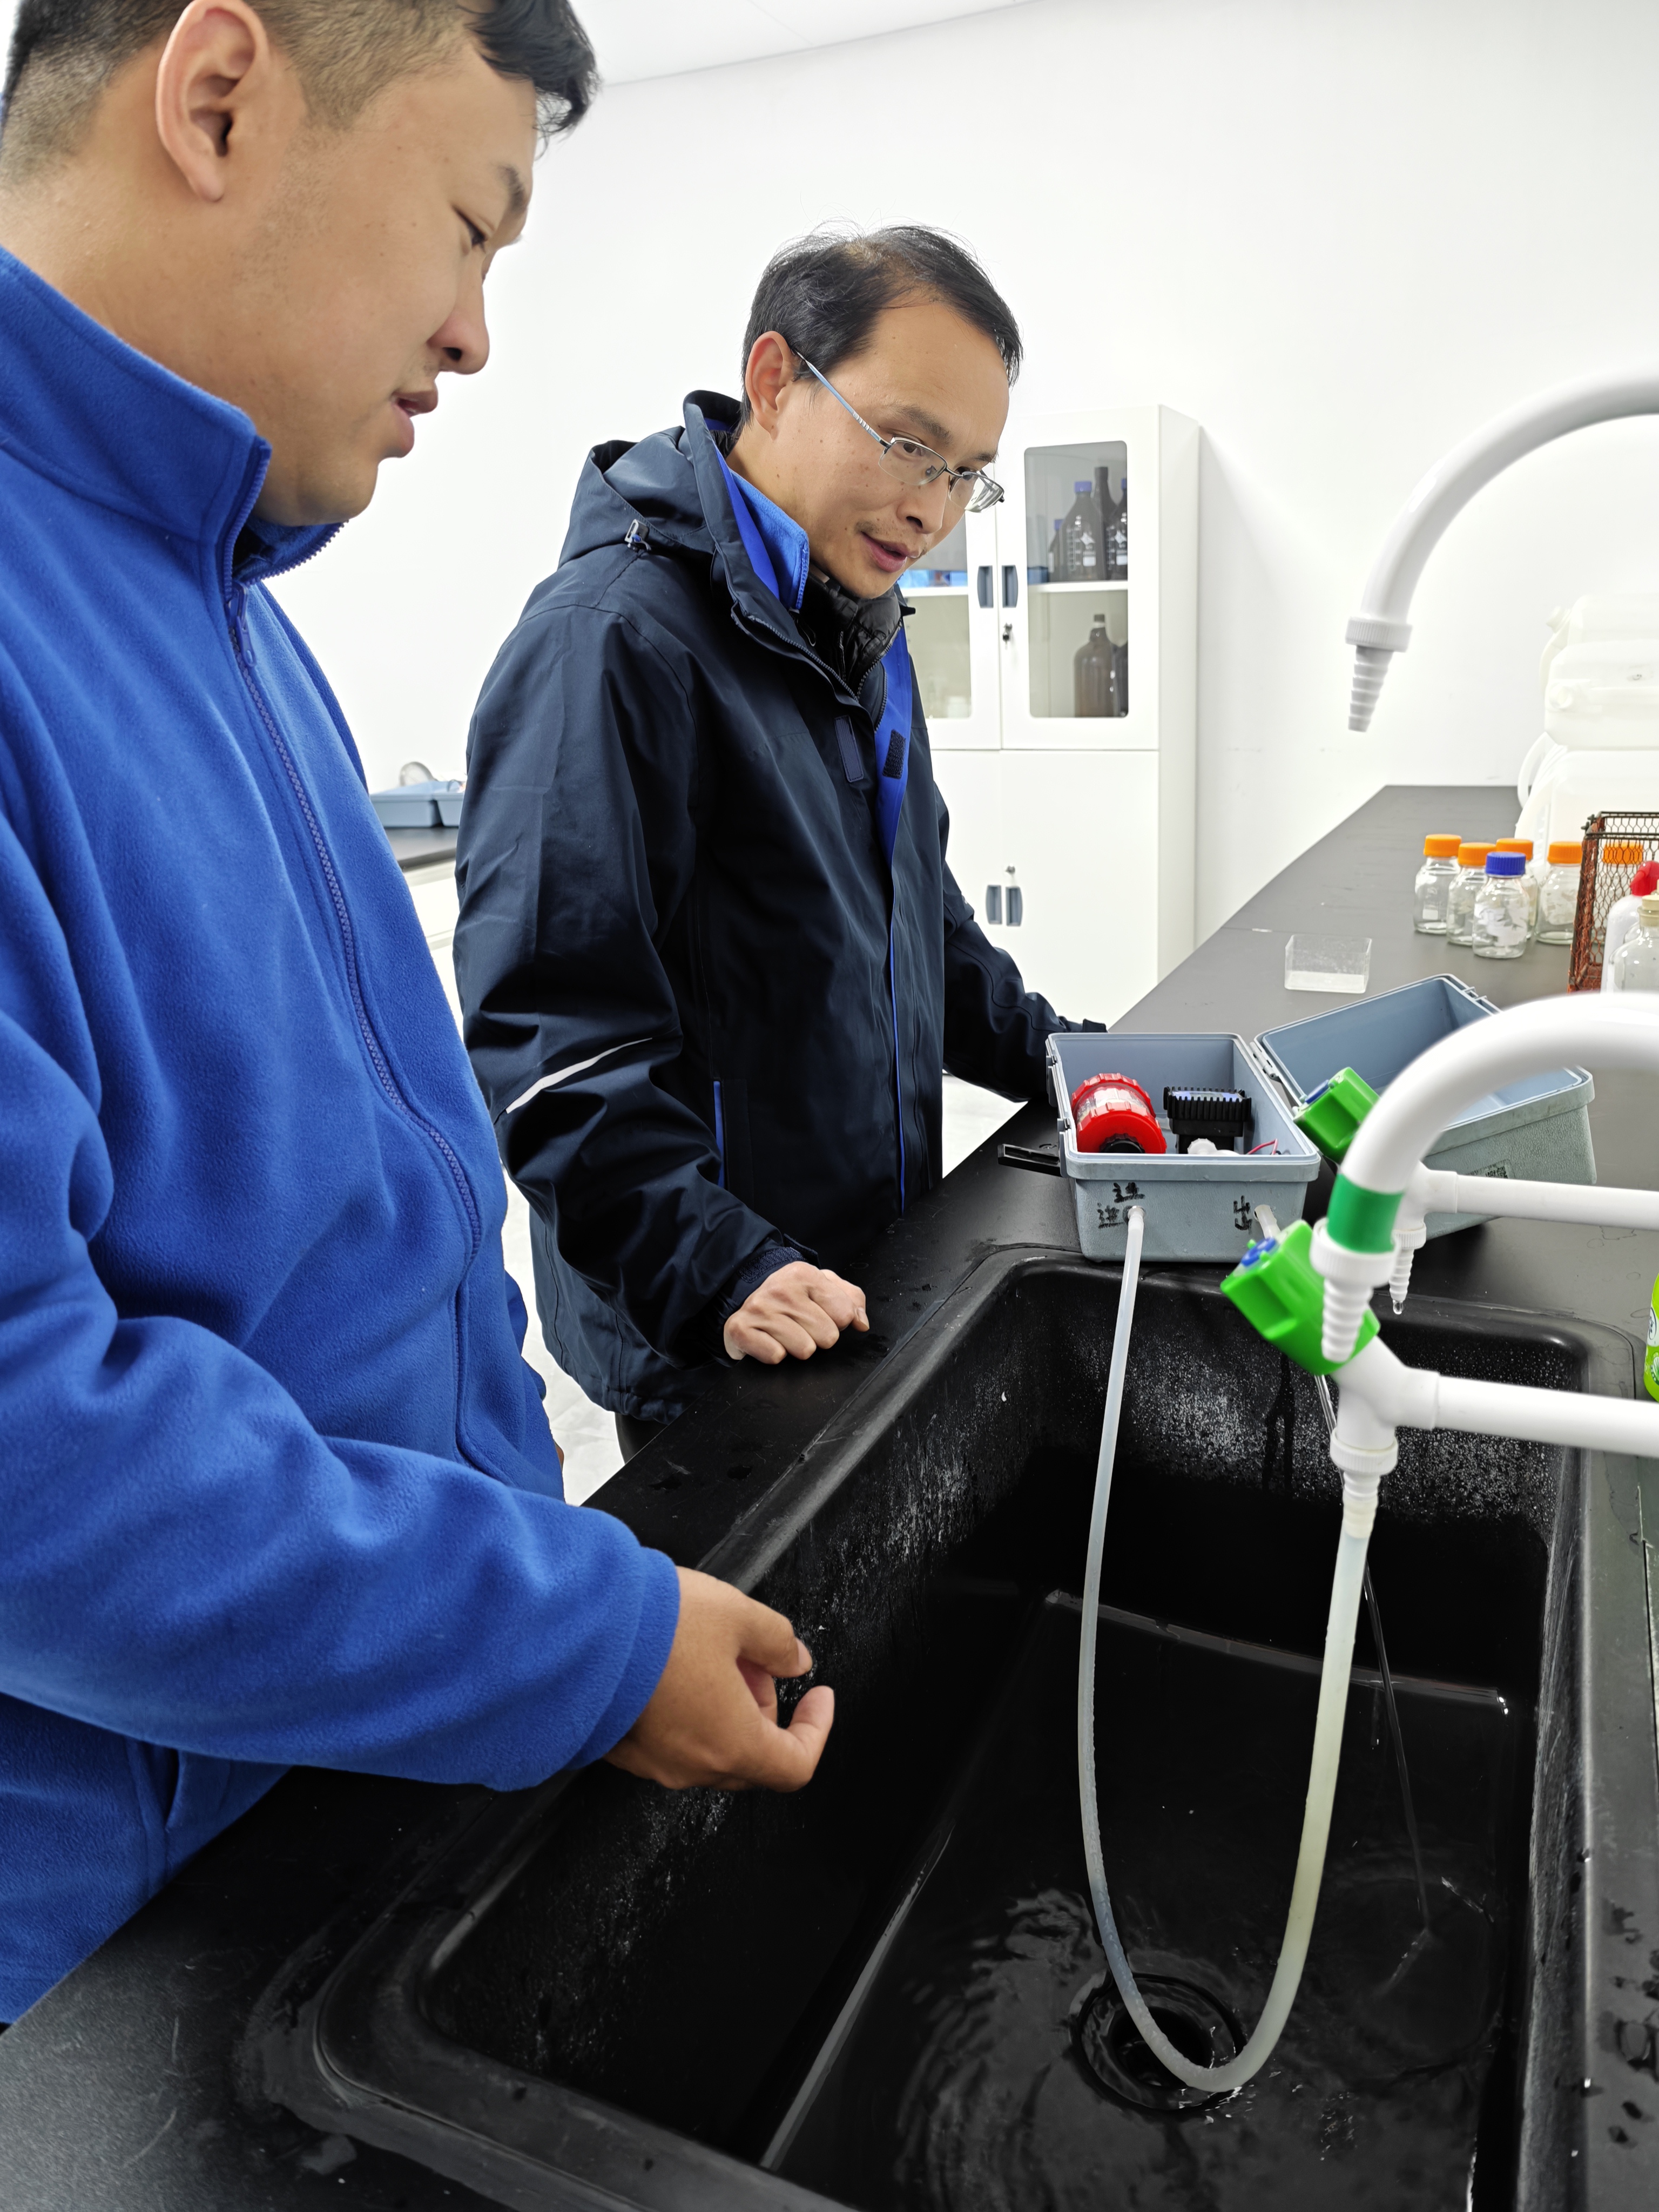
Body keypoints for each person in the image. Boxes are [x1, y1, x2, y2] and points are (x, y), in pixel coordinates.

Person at [0, 0, 831, 2027]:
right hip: (130, 1957)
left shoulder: (228, 611)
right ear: (218, 100)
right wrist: (571, 1640)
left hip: (371, 1774)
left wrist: (543, 1608)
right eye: (470, 227)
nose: (474, 335)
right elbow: (25, 1445)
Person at [456, 227, 1105, 1453]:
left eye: (967, 474)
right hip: (722, 1312)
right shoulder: (612, 641)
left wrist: (1078, 1068)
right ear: (773, 380)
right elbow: (552, 1035)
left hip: (860, 1262)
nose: (932, 508)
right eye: (907, 443)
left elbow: (917, 925)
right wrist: (716, 1266)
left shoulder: (858, 623)